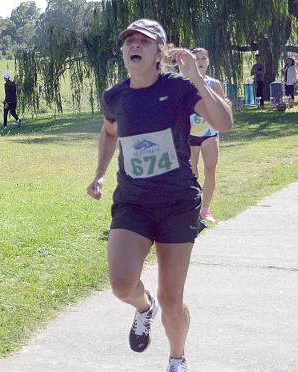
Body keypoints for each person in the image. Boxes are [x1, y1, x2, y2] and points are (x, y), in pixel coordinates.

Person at [86, 19, 232, 372]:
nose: (134, 46)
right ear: (123, 51)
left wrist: (195, 76)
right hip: (133, 202)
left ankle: (177, 359)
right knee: (122, 284)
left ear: (159, 53)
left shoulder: (179, 89)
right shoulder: (115, 96)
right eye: (129, 41)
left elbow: (224, 122)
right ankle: (143, 307)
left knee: (172, 297)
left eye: (144, 42)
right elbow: (109, 133)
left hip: (177, 204)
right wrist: (100, 174)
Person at [185, 48, 224, 223]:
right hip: (190, 135)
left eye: (203, 58)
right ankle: (191, 208)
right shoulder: (184, 83)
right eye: (197, 58)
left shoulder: (214, 84)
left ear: (208, 61)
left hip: (210, 133)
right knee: (192, 175)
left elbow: (222, 108)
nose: (200, 61)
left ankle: (205, 209)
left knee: (210, 170)